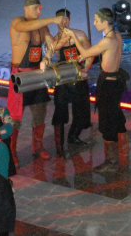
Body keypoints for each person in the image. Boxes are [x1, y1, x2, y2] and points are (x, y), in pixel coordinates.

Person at [63, 7, 126, 169]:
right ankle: (120, 155)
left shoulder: (107, 41)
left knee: (107, 120)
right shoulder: (117, 35)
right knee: (116, 116)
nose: (94, 23)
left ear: (105, 22)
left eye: (97, 21)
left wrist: (73, 36)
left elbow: (85, 53)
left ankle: (112, 162)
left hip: (109, 84)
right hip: (117, 81)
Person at [7, 0, 64, 164]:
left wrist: (47, 57)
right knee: (15, 117)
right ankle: (11, 151)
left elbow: (51, 44)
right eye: (35, 8)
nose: (38, 11)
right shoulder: (17, 22)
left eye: (40, 9)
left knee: (40, 111)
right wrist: (53, 19)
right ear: (25, 8)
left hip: (37, 74)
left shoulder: (42, 26)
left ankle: (37, 147)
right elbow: (27, 26)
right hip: (20, 75)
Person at [51, 8, 93, 156]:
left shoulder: (80, 35)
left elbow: (90, 54)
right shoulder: (55, 39)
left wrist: (85, 69)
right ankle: (59, 147)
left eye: (65, 20)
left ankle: (73, 135)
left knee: (81, 109)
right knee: (60, 111)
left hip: (78, 77)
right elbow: (57, 57)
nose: (63, 23)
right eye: (60, 20)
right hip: (63, 80)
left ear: (70, 20)